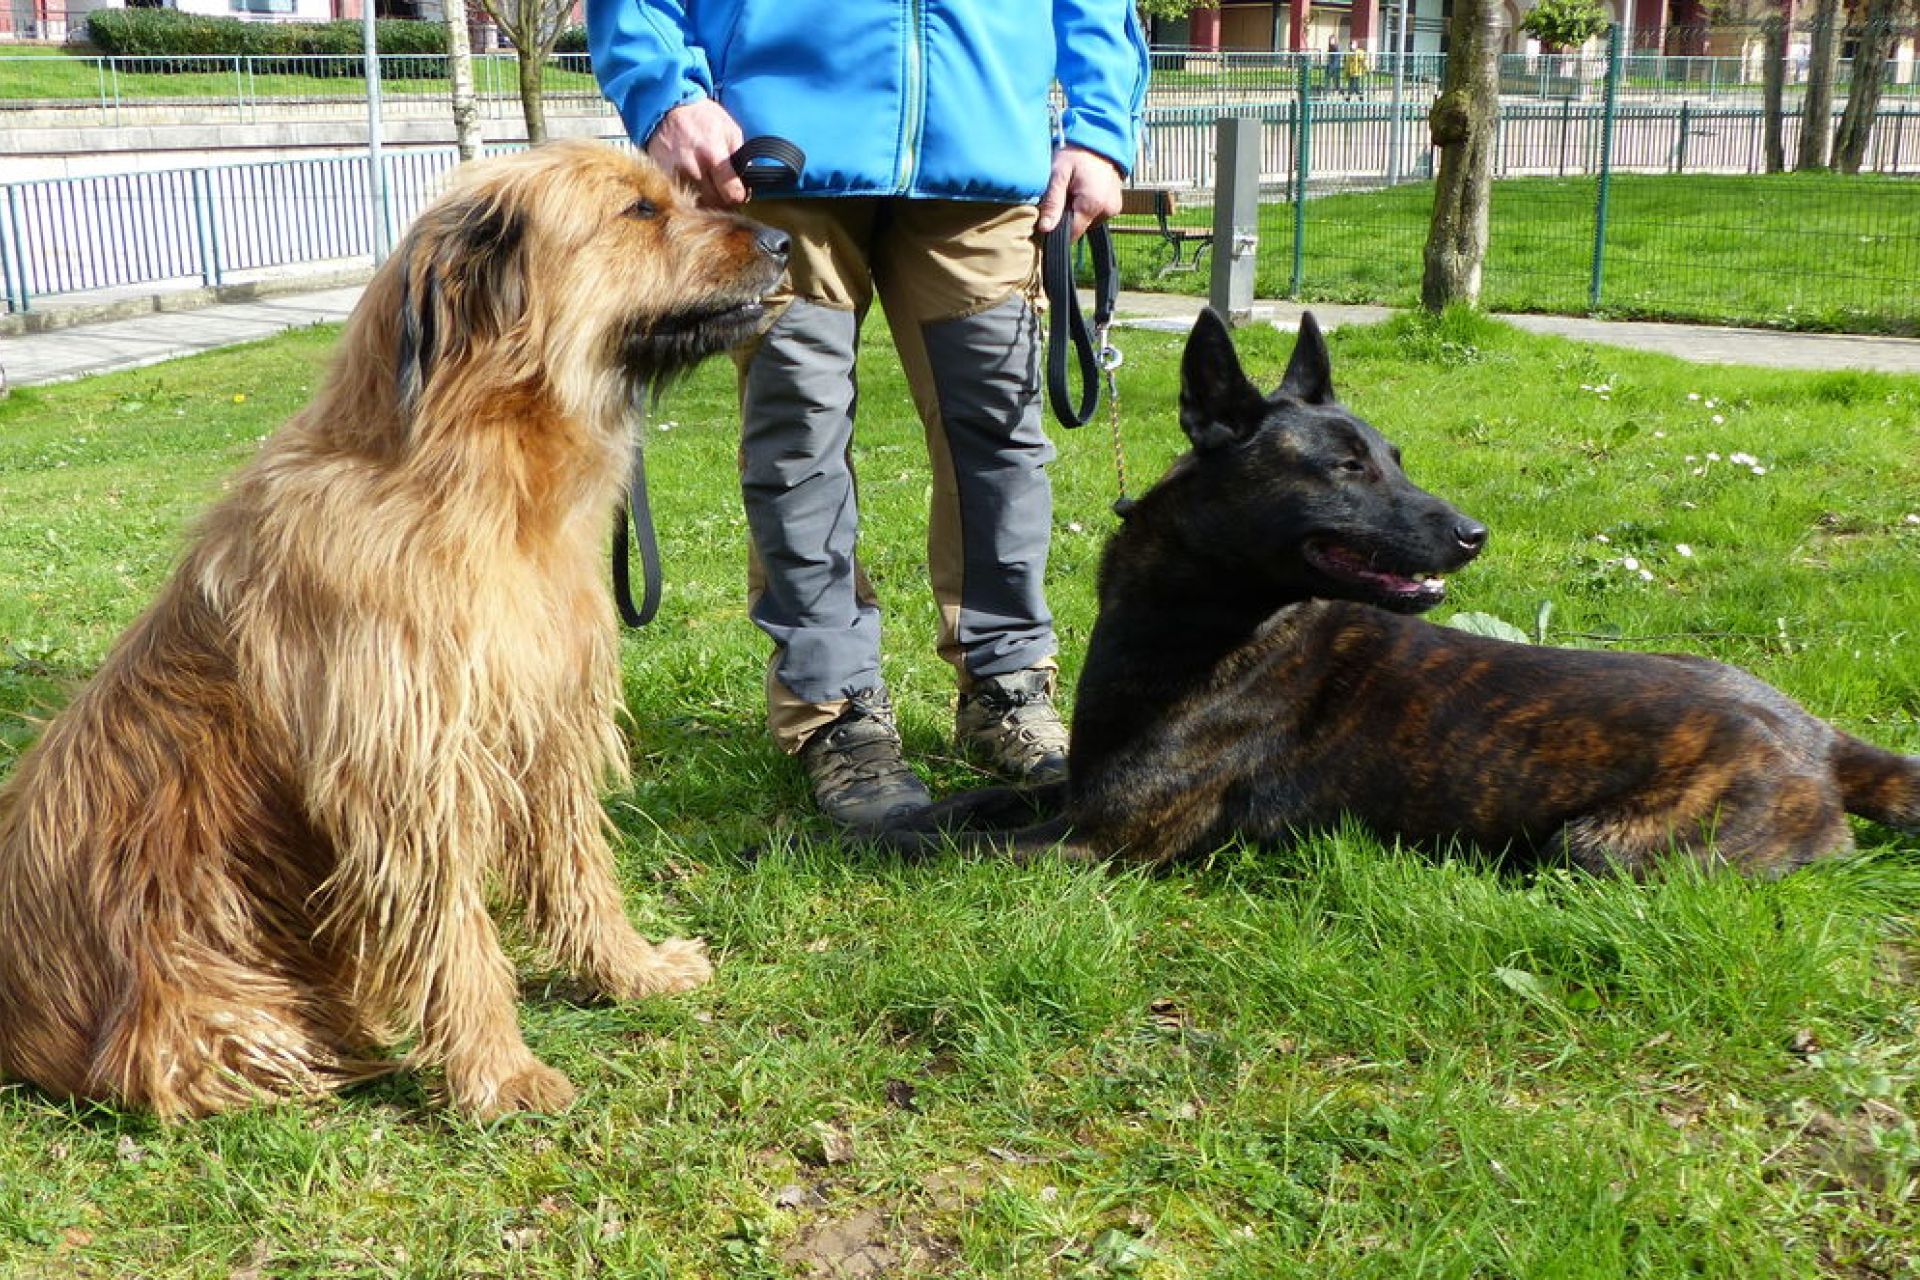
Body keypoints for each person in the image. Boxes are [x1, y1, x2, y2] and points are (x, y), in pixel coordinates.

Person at [585, 1, 1150, 829]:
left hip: (982, 154)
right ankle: (834, 711)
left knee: (997, 437)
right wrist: (667, 92)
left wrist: (1101, 128)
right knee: (799, 443)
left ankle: (1007, 689)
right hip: (776, 158)